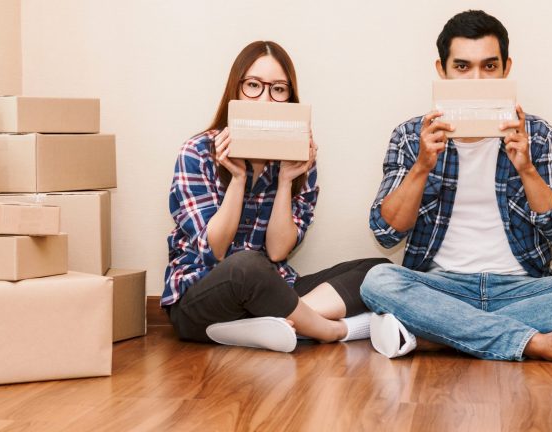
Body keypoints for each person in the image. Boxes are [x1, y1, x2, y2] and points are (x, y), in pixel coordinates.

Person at [361, 11, 552, 365]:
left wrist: (527, 169)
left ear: (505, 69)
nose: (476, 80)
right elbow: (386, 233)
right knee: (378, 281)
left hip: (521, 289)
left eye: (488, 67)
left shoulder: (538, 134)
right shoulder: (411, 136)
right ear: (442, 71)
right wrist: (422, 166)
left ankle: (439, 338)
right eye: (463, 67)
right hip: (441, 289)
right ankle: (537, 344)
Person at [163, 41, 389, 352]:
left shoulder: (297, 162)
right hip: (202, 297)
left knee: (377, 269)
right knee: (247, 266)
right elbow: (214, 249)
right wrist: (238, 178)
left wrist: (285, 181)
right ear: (236, 90)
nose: (266, 99)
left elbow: (278, 251)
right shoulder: (198, 152)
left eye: (279, 90)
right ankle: (330, 330)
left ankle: (270, 323)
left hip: (273, 285)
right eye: (253, 86)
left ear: (290, 99)